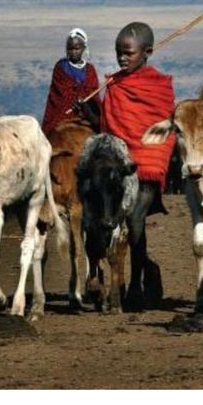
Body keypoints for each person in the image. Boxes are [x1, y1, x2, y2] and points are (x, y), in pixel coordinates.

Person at [78, 21, 176, 308]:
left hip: (145, 162)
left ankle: (136, 284)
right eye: (119, 52)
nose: (122, 58)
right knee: (102, 218)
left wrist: (142, 155)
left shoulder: (157, 85)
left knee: (134, 221)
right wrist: (90, 112)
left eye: (128, 53)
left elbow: (161, 126)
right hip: (116, 165)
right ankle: (110, 275)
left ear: (146, 53)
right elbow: (108, 127)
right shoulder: (114, 83)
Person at [41, 28, 100, 135]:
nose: (73, 52)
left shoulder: (90, 70)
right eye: (70, 49)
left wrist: (84, 103)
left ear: (84, 48)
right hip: (63, 114)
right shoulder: (60, 67)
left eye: (77, 49)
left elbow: (93, 95)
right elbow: (58, 95)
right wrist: (74, 98)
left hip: (86, 114)